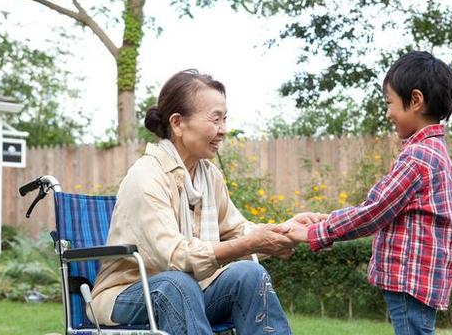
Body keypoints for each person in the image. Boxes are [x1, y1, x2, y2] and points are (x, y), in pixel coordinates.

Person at [90, 69, 326, 334]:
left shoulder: (208, 174)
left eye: (225, 119)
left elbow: (238, 230)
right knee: (178, 284)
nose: (223, 130)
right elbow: (175, 258)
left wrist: (287, 230)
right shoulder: (146, 175)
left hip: (192, 289)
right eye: (215, 119)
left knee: (249, 275)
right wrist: (248, 244)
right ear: (178, 123)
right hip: (128, 294)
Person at [288, 51, 452, 335]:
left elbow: (374, 211)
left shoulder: (418, 157)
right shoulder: (434, 152)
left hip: (410, 279)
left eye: (390, 103)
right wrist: (327, 218)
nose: (387, 113)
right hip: (419, 279)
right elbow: (387, 208)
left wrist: (315, 233)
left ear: (415, 101)